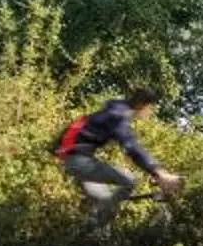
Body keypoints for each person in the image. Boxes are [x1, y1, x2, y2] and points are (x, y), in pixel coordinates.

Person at [53, 89, 182, 223]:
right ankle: (98, 226)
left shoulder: (114, 110)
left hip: (74, 161)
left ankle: (91, 228)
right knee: (129, 181)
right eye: (150, 108)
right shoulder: (118, 116)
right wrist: (159, 172)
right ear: (142, 105)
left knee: (103, 199)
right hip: (78, 162)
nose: (150, 112)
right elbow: (132, 147)